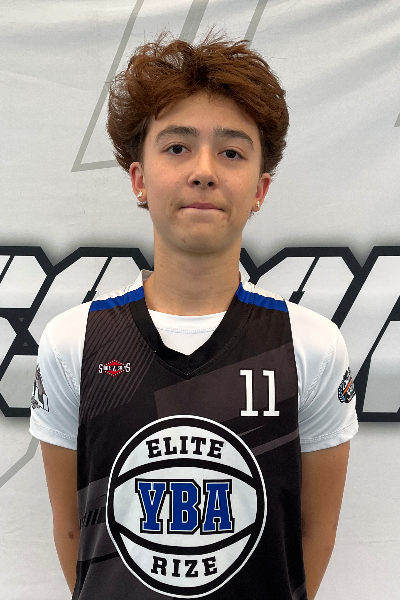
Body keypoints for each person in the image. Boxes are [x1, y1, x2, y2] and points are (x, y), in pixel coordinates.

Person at [29, 31, 358, 600]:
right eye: (178, 147)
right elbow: (73, 535)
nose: (204, 171)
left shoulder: (311, 345)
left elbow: (312, 534)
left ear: (260, 188)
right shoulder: (72, 341)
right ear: (139, 179)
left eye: (231, 152)